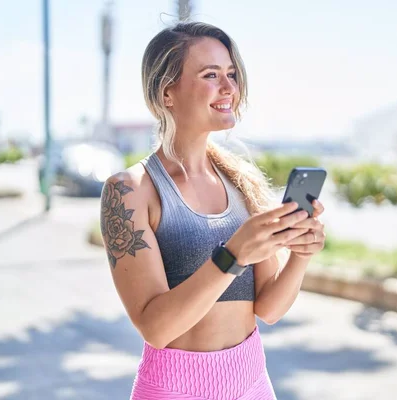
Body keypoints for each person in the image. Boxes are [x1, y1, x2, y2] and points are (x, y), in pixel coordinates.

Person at [99, 21, 326, 400]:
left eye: (232, 75)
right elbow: (156, 328)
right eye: (211, 75)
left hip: (253, 382)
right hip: (174, 388)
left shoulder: (242, 182)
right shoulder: (129, 191)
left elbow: (268, 308)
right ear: (166, 91)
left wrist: (301, 256)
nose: (229, 88)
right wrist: (234, 255)